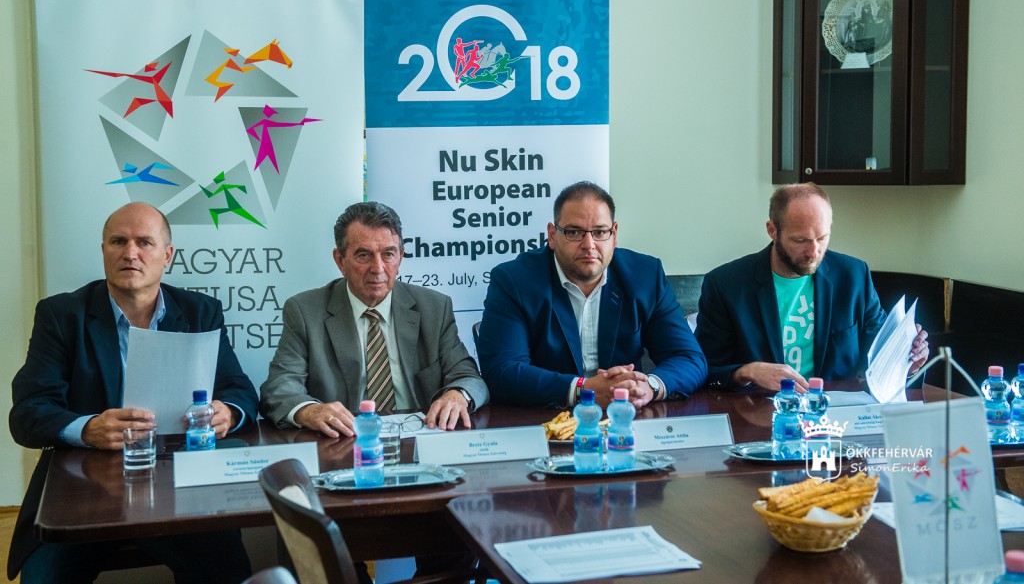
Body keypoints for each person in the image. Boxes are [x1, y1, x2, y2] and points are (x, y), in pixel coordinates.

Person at [8, 202, 259, 583]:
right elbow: (28, 412)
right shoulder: (62, 315)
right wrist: (87, 428)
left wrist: (228, 412)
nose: (130, 253)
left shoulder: (200, 312)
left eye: (144, 242)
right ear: (103, 251)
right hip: (83, 489)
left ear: (167, 256)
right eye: (118, 242)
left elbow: (240, 389)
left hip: (177, 487)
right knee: (43, 578)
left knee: (226, 569)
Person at [260, 201, 489, 436]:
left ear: (400, 257)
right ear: (340, 261)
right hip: (345, 441)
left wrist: (457, 395)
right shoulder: (306, 311)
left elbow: (468, 377)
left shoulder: (434, 308)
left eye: (388, 254)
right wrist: (311, 410)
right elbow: (279, 388)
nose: (378, 268)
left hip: (420, 436)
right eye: (364, 255)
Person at [476, 181, 708, 408]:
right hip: (545, 417)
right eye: (574, 232)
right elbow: (501, 371)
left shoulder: (645, 276)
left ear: (614, 235)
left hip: (624, 415)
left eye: (599, 232)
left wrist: (650, 386)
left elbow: (689, 358)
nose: (589, 244)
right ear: (552, 236)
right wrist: (582, 389)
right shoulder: (514, 281)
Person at [695, 183, 929, 392]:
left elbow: (881, 359)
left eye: (822, 238)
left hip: (834, 412)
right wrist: (749, 372)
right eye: (801, 240)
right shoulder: (726, 284)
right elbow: (705, 369)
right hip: (757, 412)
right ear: (772, 230)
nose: (814, 252)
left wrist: (908, 363)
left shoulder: (853, 276)